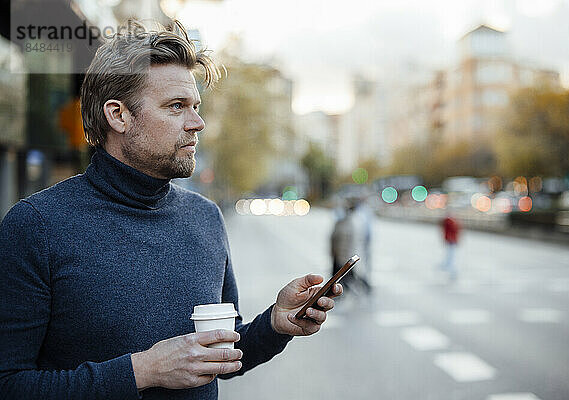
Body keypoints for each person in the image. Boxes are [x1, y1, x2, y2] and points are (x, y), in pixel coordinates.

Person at [0, 20, 341, 400]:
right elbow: (9, 384)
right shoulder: (36, 226)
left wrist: (276, 325)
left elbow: (218, 354)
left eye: (195, 107)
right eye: (176, 107)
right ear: (118, 116)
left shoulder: (206, 217)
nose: (198, 123)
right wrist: (144, 371)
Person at [330, 199, 371, 295]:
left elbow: (344, 240)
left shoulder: (349, 222)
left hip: (345, 255)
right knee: (346, 276)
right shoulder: (347, 221)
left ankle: (363, 288)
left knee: (349, 276)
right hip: (344, 254)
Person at [440, 214, 461, 281]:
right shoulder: (452, 222)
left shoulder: (448, 222)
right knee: (450, 256)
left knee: (450, 257)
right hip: (451, 241)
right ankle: (449, 269)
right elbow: (456, 230)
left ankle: (448, 268)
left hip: (450, 241)